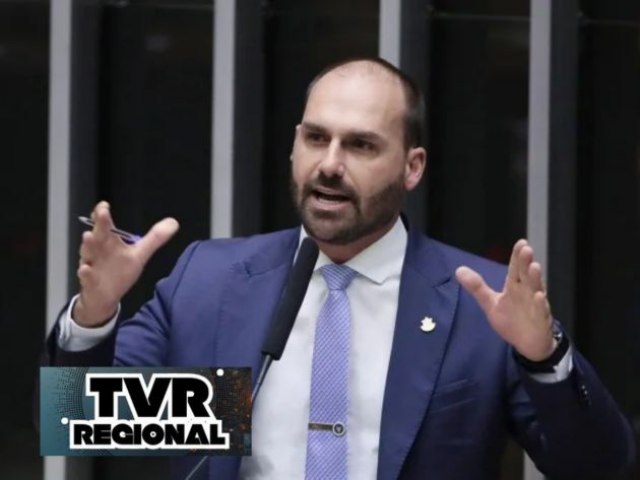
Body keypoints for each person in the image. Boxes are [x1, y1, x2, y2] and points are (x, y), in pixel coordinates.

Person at [44, 58, 635, 479]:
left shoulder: (478, 304)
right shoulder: (215, 283)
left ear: (412, 167)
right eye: (316, 138)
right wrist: (94, 315)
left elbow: (597, 467)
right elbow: (82, 421)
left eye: (360, 145)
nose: (329, 164)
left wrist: (543, 359)